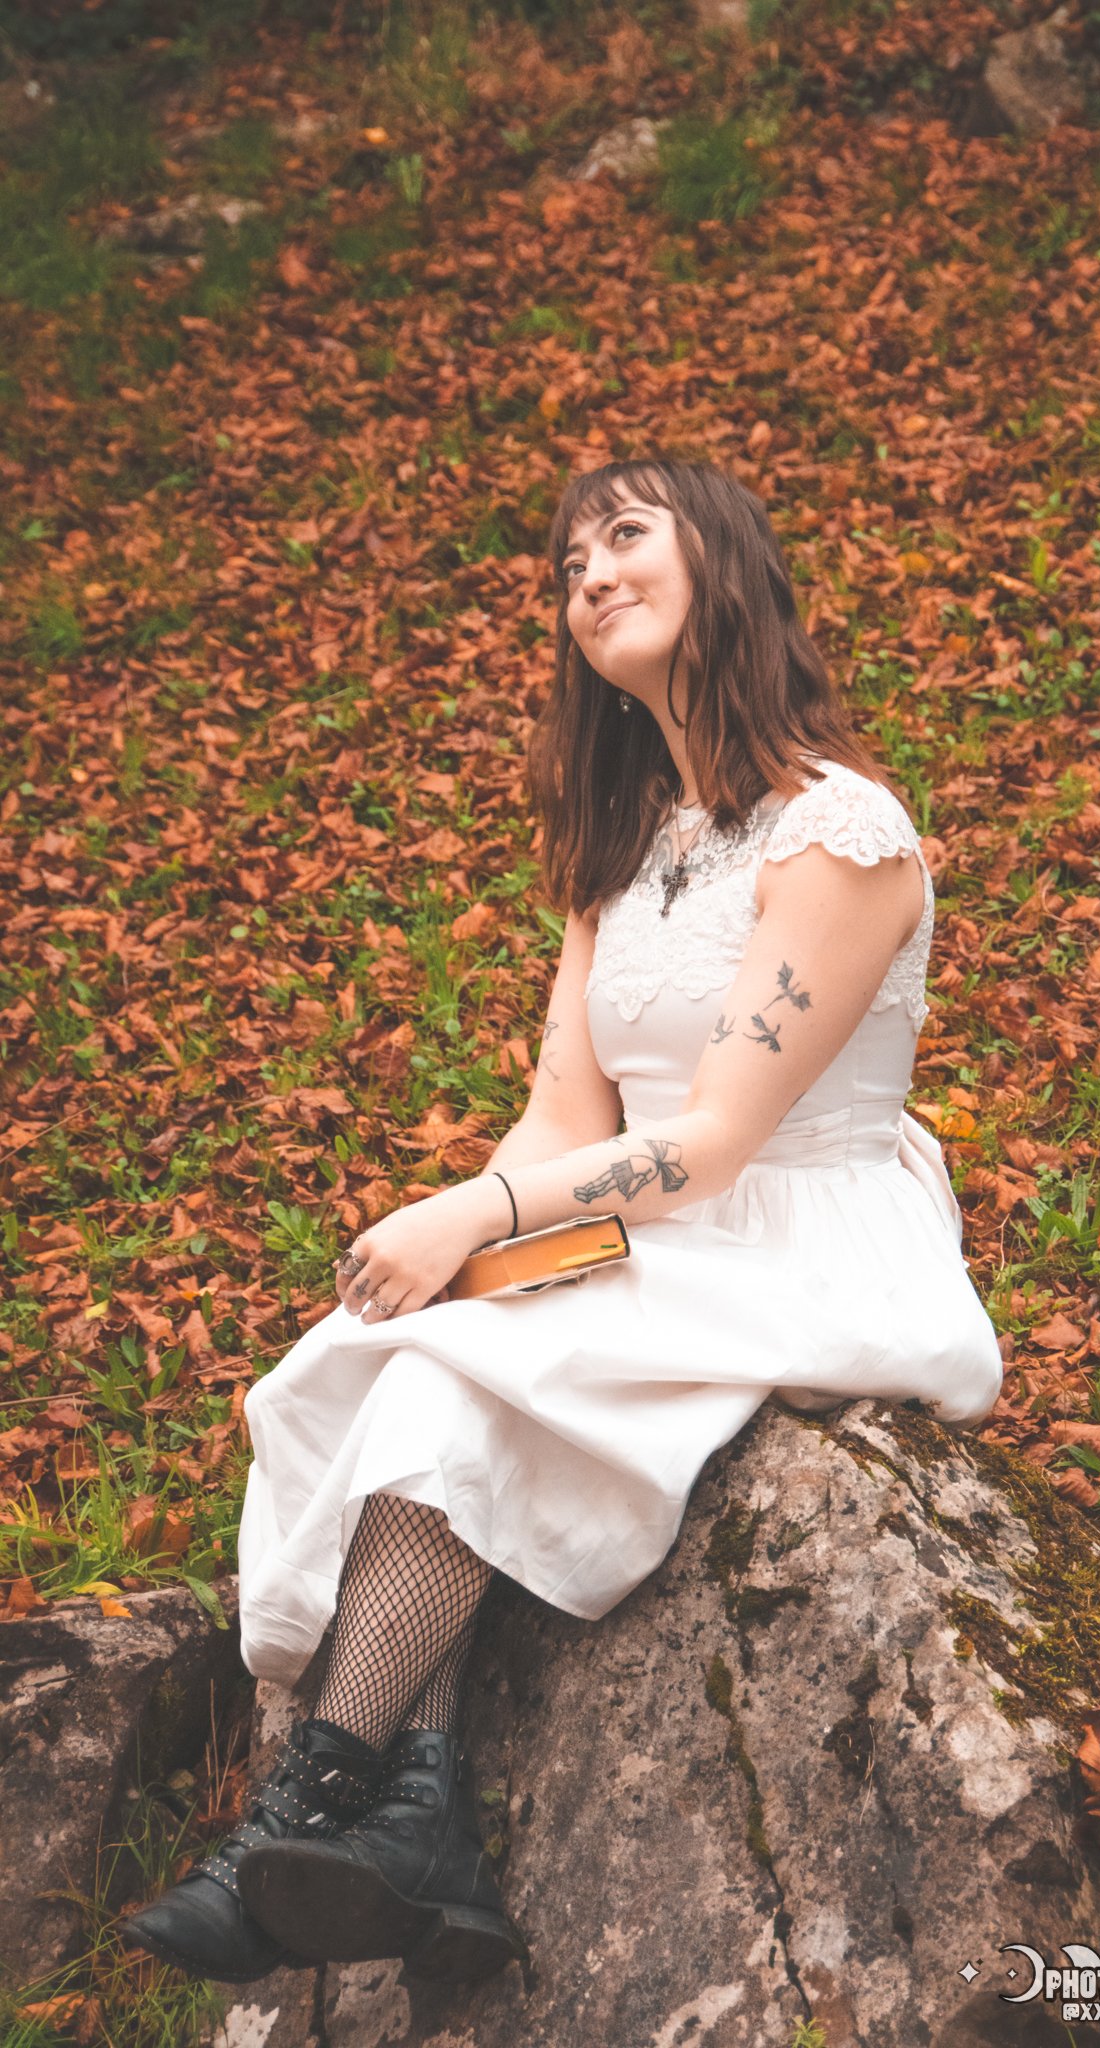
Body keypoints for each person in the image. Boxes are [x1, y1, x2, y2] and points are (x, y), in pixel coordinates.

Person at [121, 455, 1004, 1989]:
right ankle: (409, 1815)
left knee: (465, 1371)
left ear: (717, 559)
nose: (587, 573)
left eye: (623, 536)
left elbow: (720, 1139)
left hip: (801, 1229)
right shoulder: (630, 850)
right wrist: (480, 1246)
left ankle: (297, 1813)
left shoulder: (843, 834)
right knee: (410, 1355)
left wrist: (469, 1209)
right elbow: (561, 1114)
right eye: (565, 563)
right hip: (648, 1228)